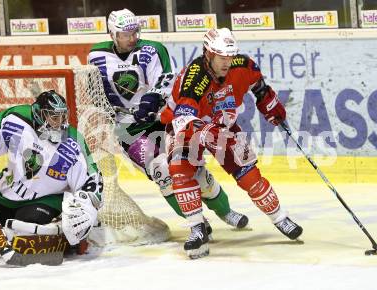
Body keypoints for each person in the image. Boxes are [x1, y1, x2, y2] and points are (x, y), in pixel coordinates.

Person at [88, 8, 247, 233]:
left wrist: (150, 101)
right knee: (162, 172)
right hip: (127, 129)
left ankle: (225, 211)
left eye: (135, 32)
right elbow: (94, 92)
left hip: (160, 121)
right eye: (125, 34)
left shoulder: (152, 49)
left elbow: (165, 80)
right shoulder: (95, 56)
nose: (132, 38)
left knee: (192, 169)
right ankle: (198, 223)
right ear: (112, 34)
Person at [163, 28, 303, 259]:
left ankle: (280, 218)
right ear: (208, 54)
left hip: (222, 125)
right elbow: (183, 118)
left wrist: (269, 103)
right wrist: (207, 131)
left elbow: (259, 86)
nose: (227, 62)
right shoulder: (195, 77)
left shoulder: (242, 65)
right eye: (221, 57)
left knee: (248, 172)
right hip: (187, 128)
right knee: (180, 170)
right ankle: (197, 228)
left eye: (230, 56)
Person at [0, 90, 102, 255]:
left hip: (44, 200)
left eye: (62, 117)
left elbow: (91, 178)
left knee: (26, 235)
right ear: (39, 113)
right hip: (5, 190)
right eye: (53, 117)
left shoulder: (73, 142)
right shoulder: (17, 119)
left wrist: (87, 205)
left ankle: (52, 230)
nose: (59, 123)